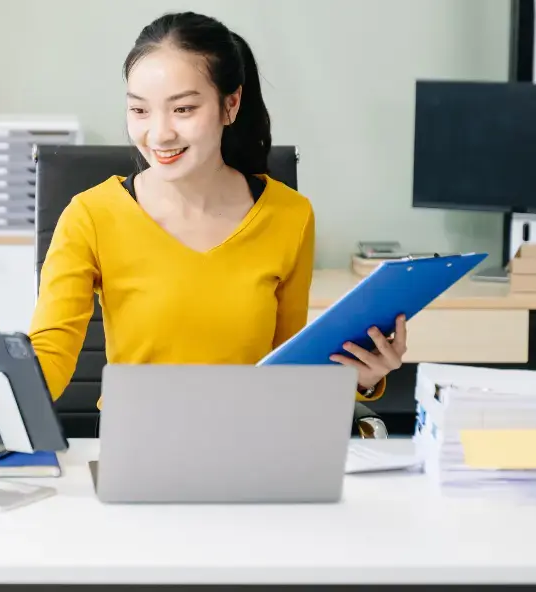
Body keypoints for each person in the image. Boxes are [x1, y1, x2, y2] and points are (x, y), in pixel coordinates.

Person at [27, 11, 407, 405]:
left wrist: (361, 380)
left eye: (183, 109)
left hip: (253, 441)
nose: (159, 133)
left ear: (231, 105)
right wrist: (1, 378)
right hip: (141, 444)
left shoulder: (290, 215)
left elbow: (289, 369)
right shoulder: (90, 216)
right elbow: (51, 353)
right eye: (140, 110)